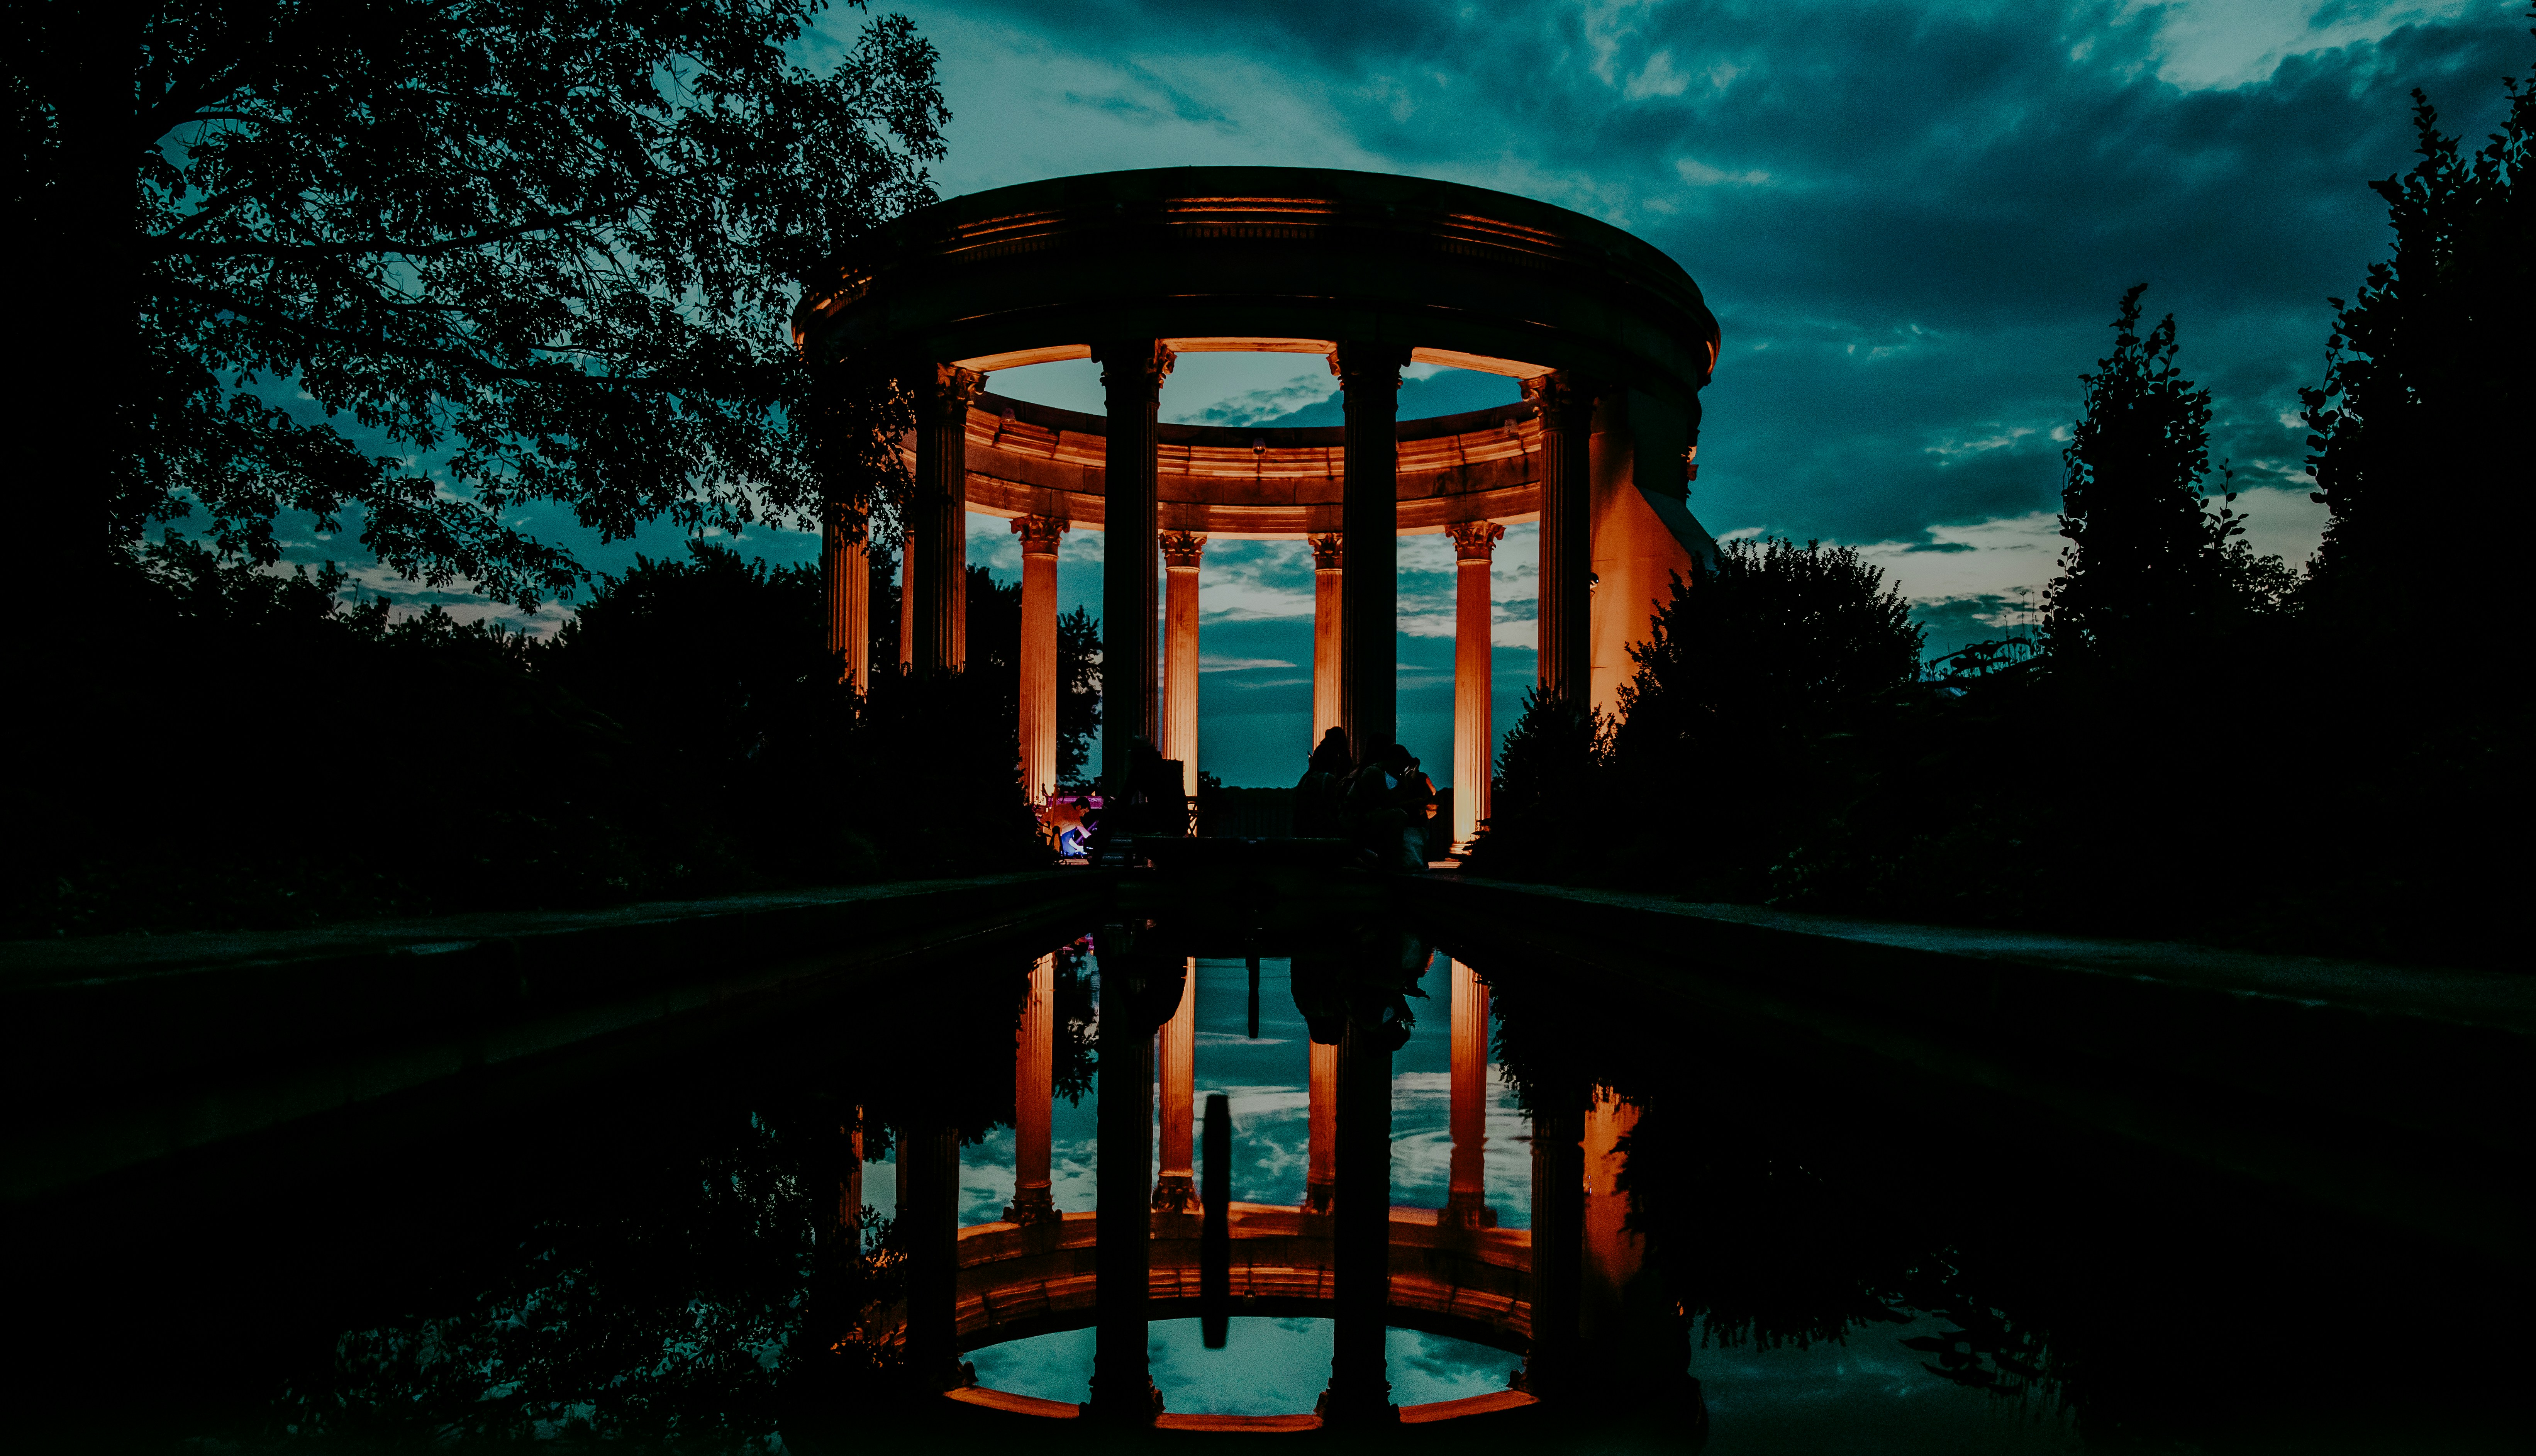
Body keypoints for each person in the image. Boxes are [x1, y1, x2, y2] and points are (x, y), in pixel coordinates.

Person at [1294, 727, 1352, 837]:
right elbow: (1332, 809)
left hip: (1304, 830)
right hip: (1322, 832)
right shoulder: (1327, 779)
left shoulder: (1307, 778)